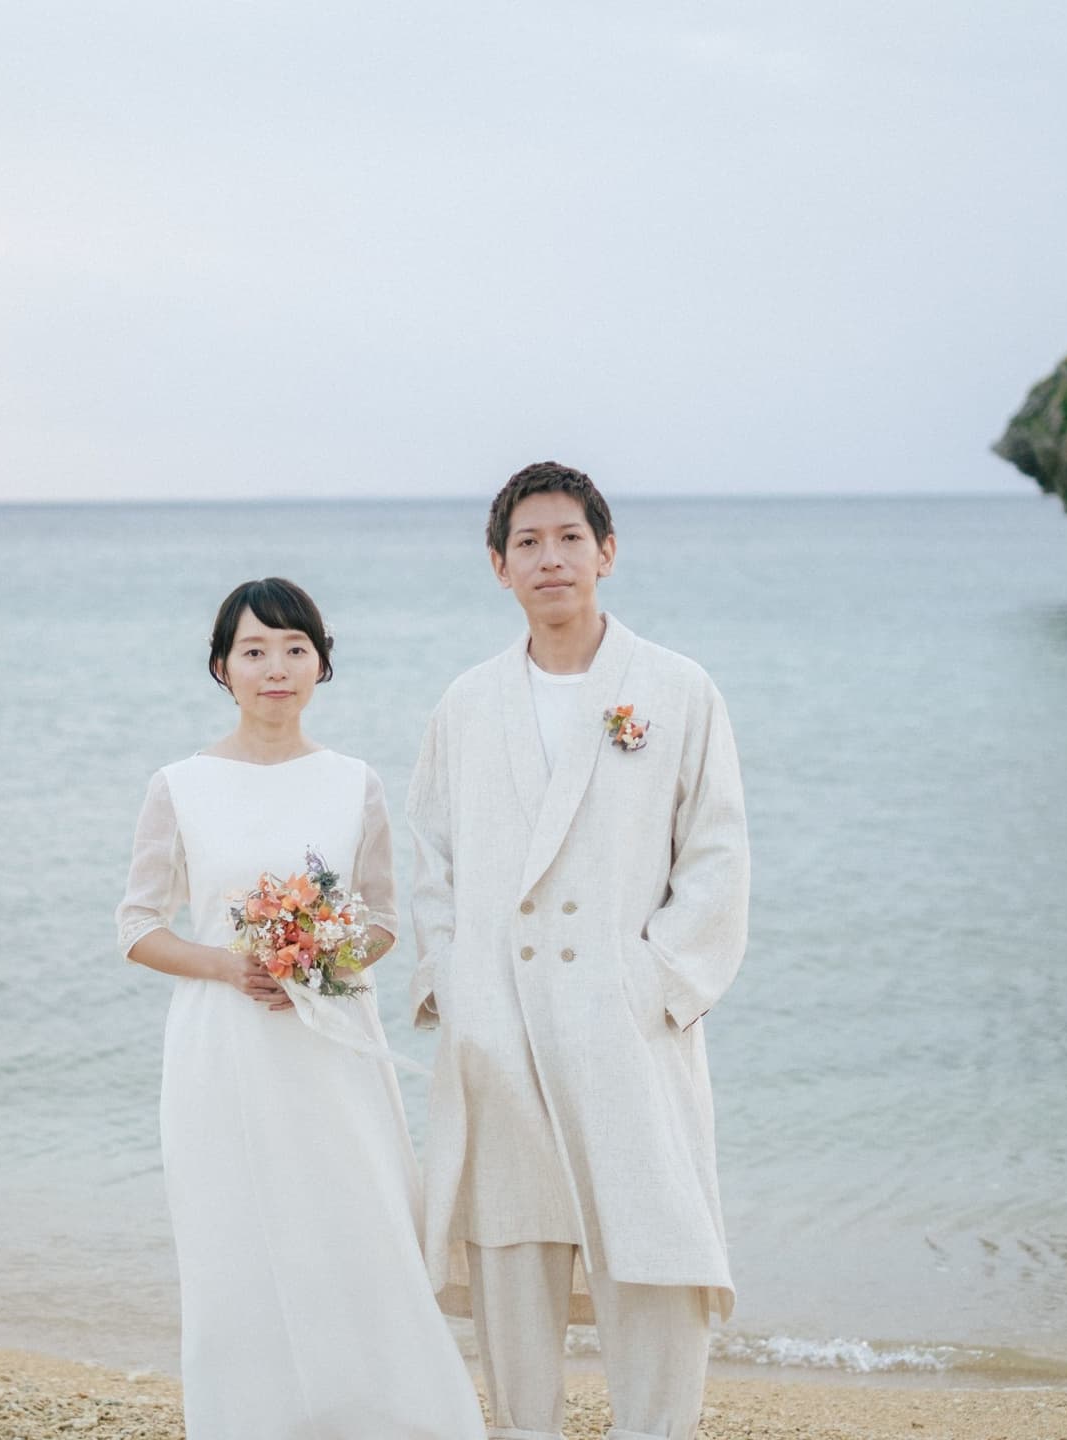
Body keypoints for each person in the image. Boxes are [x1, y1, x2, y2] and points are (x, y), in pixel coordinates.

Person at [408, 463, 750, 1440]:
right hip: (500, 1025)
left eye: (568, 538)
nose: (549, 558)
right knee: (513, 1256)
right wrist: (459, 990)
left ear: (607, 552)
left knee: (655, 1248)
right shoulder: (469, 702)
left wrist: (655, 982)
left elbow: (717, 856)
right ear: (498, 566)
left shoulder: (675, 688)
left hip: (625, 1028)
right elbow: (431, 858)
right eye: (528, 543)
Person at [115, 576, 484, 1440]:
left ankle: (395, 1417)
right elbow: (136, 926)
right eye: (254, 651)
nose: (275, 668)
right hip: (223, 1044)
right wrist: (226, 963)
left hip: (331, 1041)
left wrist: (316, 962)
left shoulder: (354, 783)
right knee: (235, 1234)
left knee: (359, 1220)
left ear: (321, 663)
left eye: (294, 648)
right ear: (222, 668)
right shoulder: (180, 785)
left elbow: (383, 919)